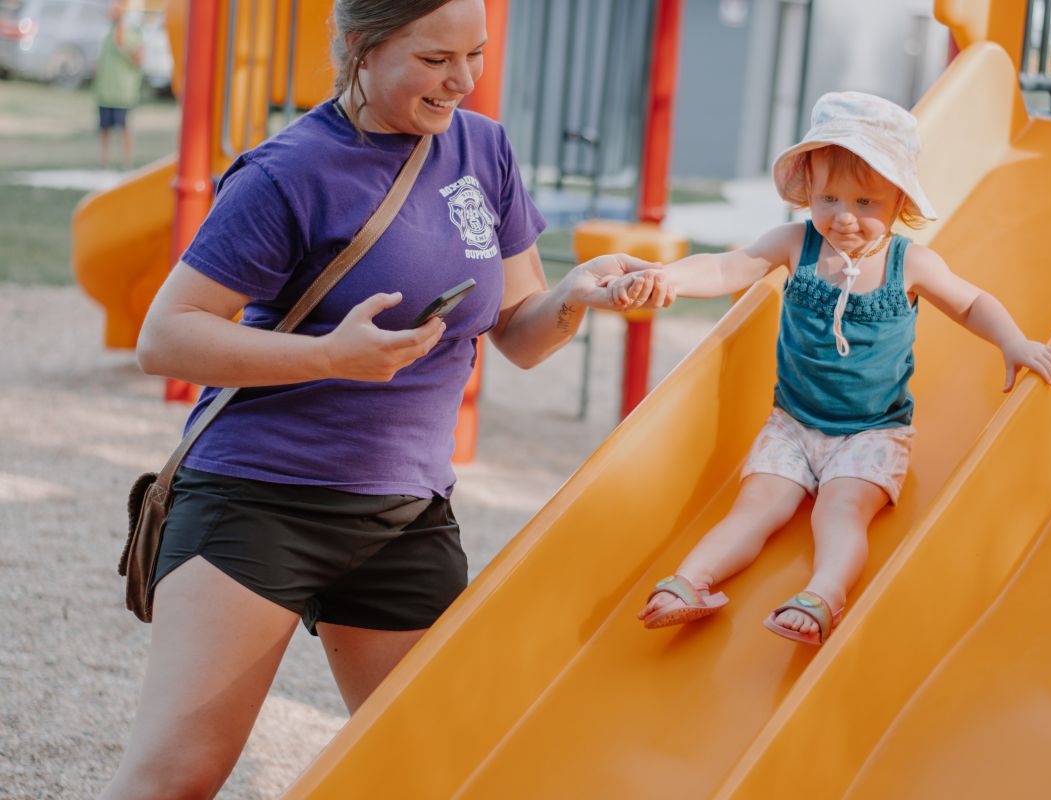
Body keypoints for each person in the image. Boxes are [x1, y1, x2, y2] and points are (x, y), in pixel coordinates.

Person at [99, 1, 669, 797]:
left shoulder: (484, 149)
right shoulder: (287, 171)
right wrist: (328, 355)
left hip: (404, 517)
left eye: (473, 54)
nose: (463, 80)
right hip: (257, 501)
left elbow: (520, 334)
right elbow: (166, 336)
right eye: (437, 59)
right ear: (361, 48)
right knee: (177, 777)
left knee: (437, 772)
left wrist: (573, 296)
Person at [608, 91, 1051, 645]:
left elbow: (970, 303)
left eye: (866, 203)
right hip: (792, 424)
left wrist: (1011, 341)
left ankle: (824, 594)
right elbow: (727, 266)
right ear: (808, 190)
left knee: (840, 511)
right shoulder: (795, 245)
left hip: (872, 433)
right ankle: (690, 581)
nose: (845, 217)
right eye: (828, 198)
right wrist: (670, 278)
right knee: (756, 505)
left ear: (899, 202)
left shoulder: (909, 263)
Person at [94, 1, 142, 170]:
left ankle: (127, 162)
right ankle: (103, 162)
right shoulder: (107, 33)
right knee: (104, 129)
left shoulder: (130, 34)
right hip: (106, 92)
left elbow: (137, 59)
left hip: (122, 92)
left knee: (124, 128)